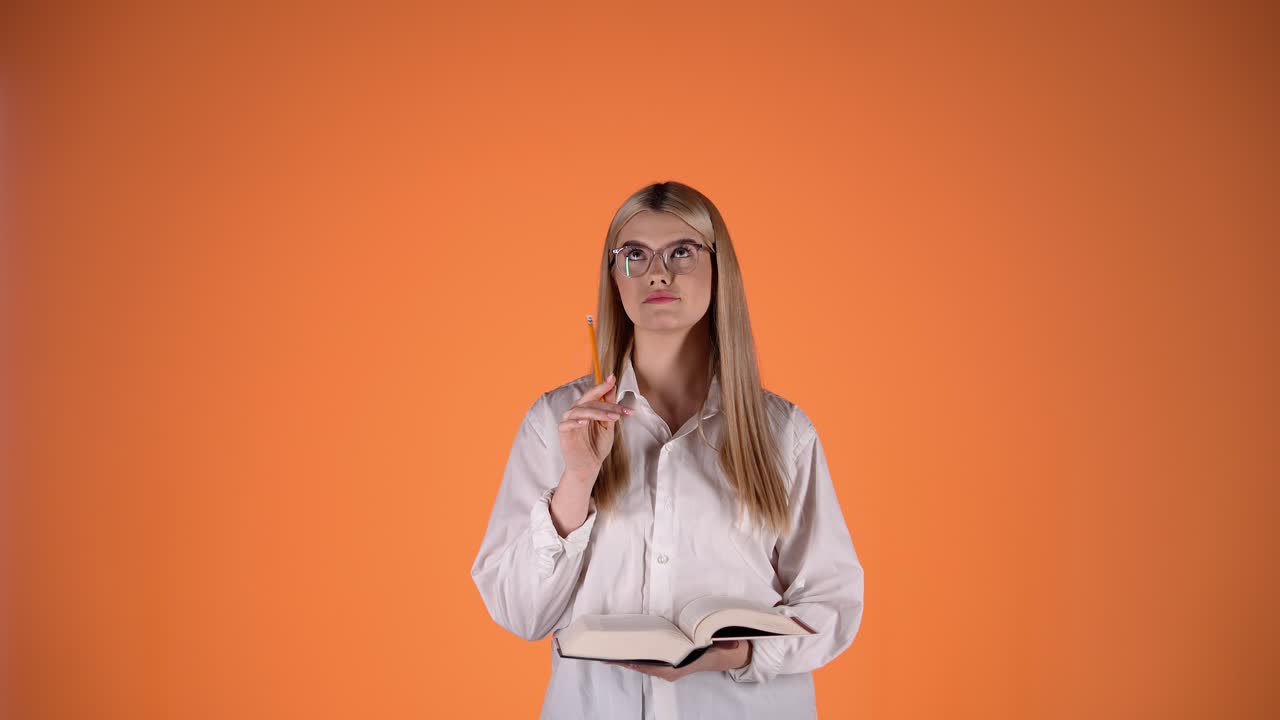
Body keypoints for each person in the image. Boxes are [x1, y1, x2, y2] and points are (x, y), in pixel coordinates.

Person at [470, 180, 864, 719]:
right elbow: (520, 613)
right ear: (614, 277)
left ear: (717, 268)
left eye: (682, 251)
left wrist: (741, 654)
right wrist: (578, 480)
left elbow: (834, 603)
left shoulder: (783, 432)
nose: (658, 272)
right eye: (635, 255)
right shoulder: (555, 424)